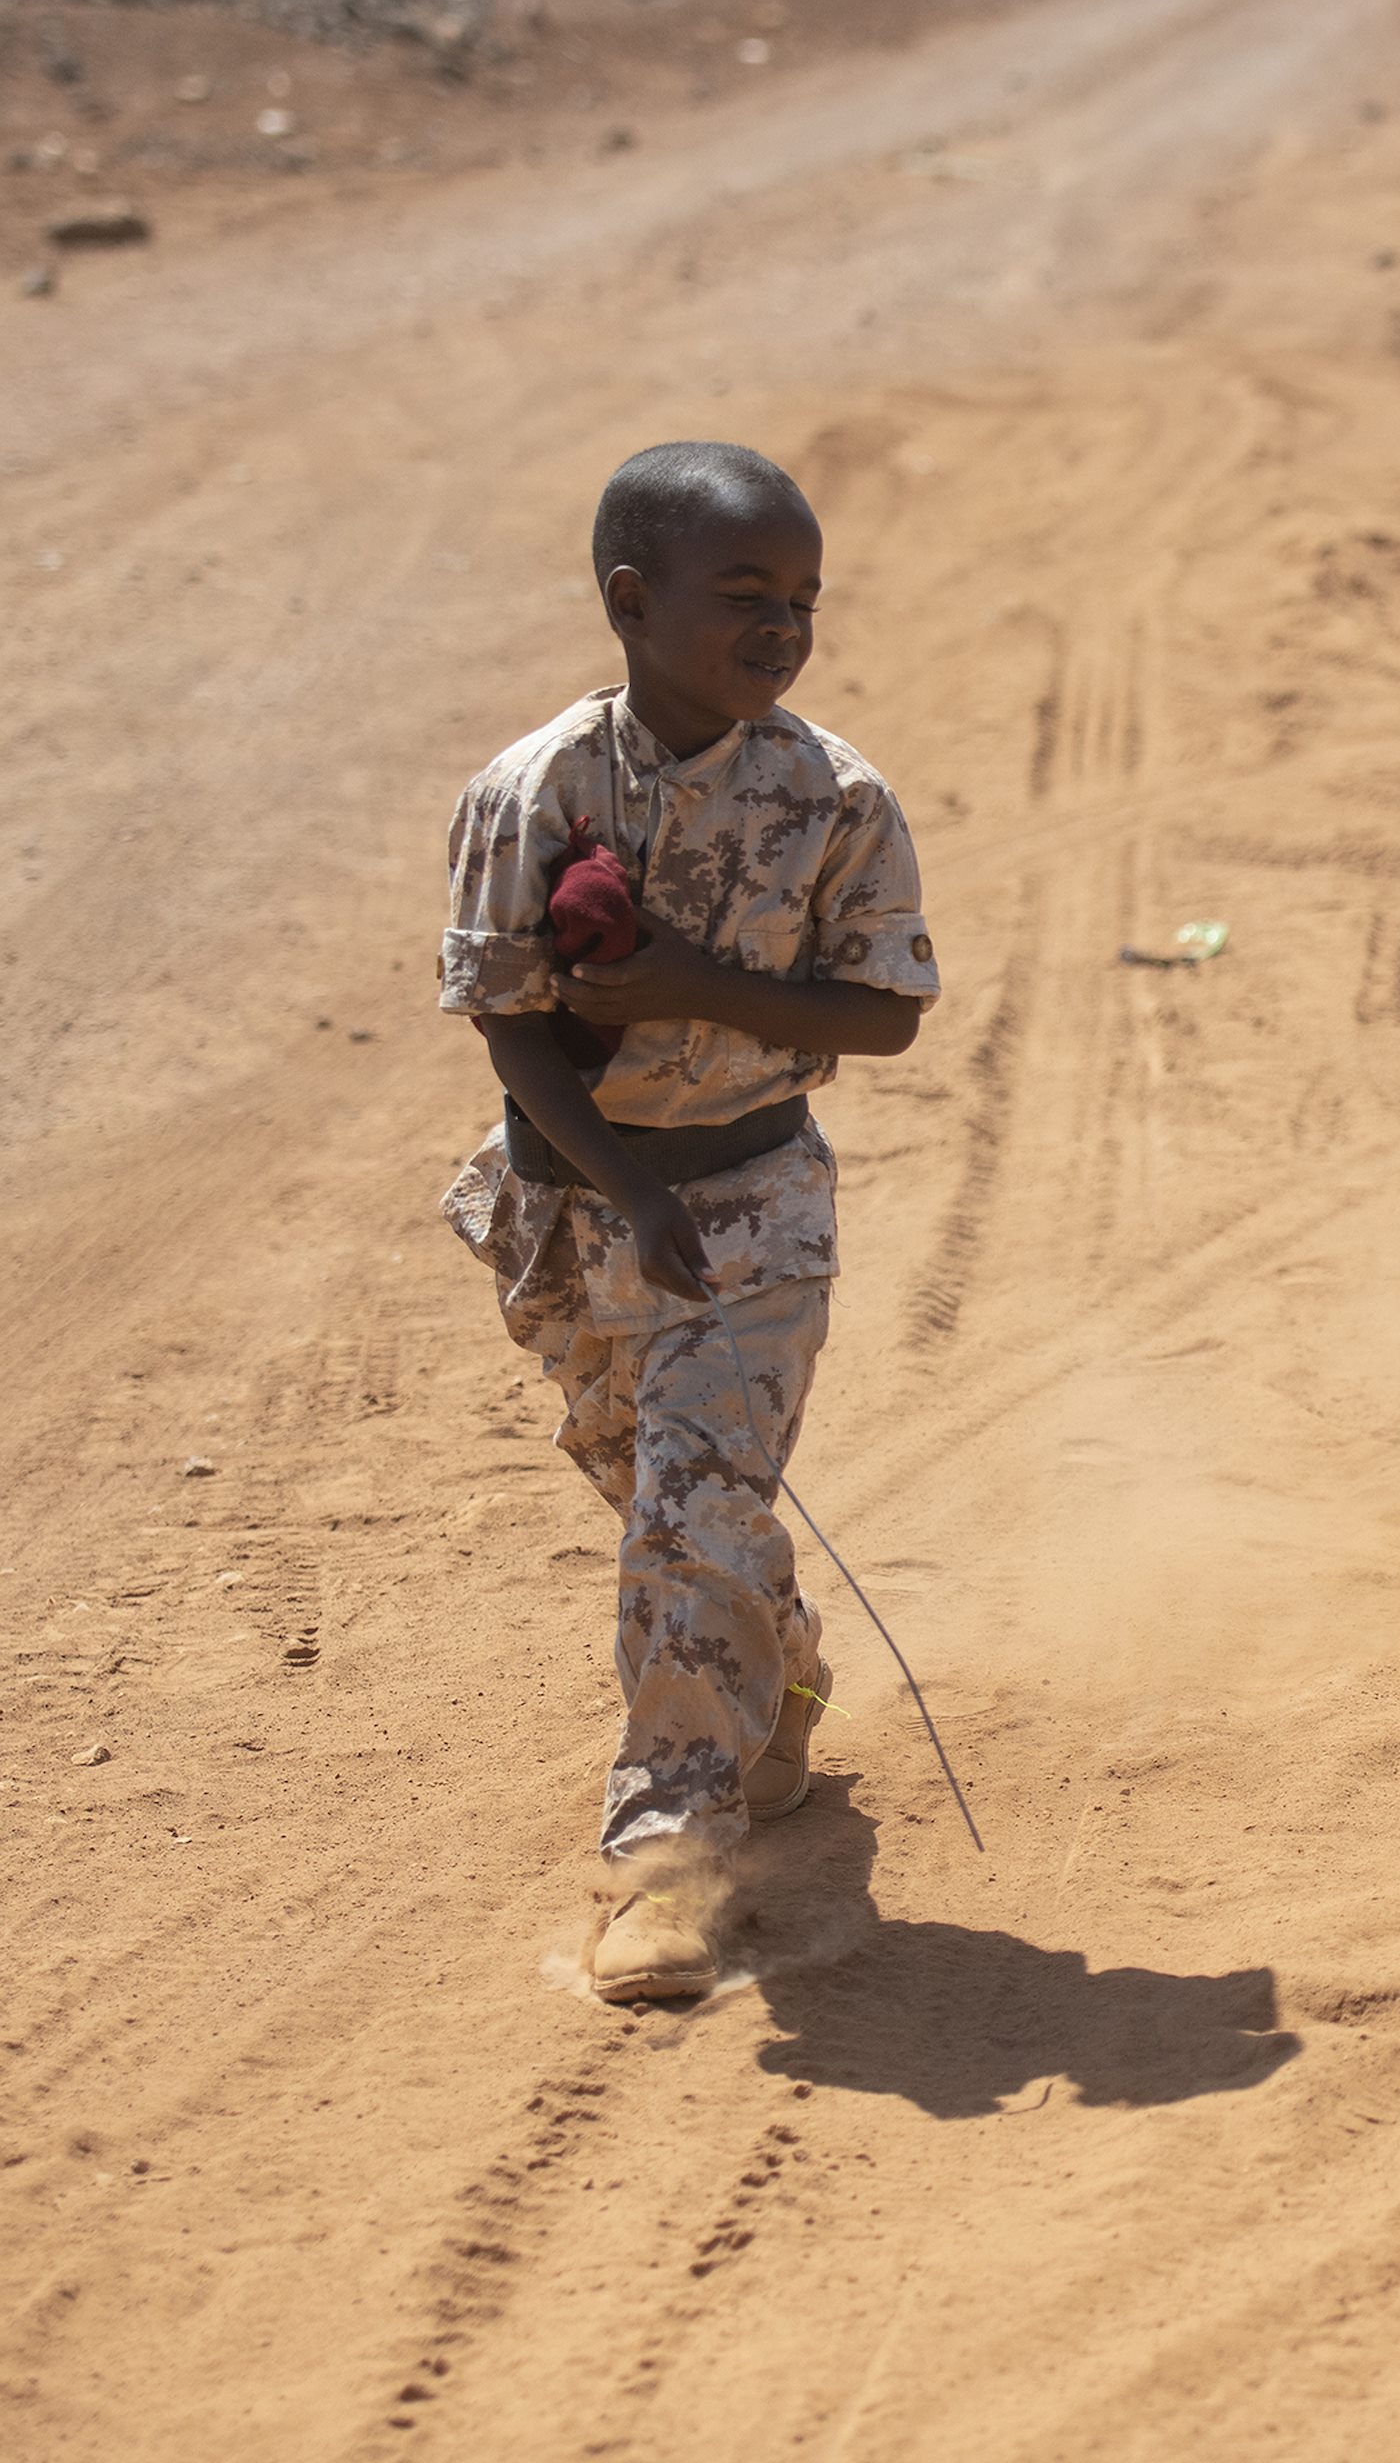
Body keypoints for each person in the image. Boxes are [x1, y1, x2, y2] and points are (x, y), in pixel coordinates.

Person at [437, 441, 938, 2001]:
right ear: (632, 603)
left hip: (756, 1203)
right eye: (745, 596)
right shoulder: (537, 790)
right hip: (575, 1200)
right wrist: (625, 1185)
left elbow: (886, 1015)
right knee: (633, 1470)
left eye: (803, 598)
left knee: (686, 1510)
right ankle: (772, 1668)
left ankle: (668, 1863)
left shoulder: (832, 793)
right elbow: (507, 1014)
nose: (783, 626)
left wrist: (688, 993)